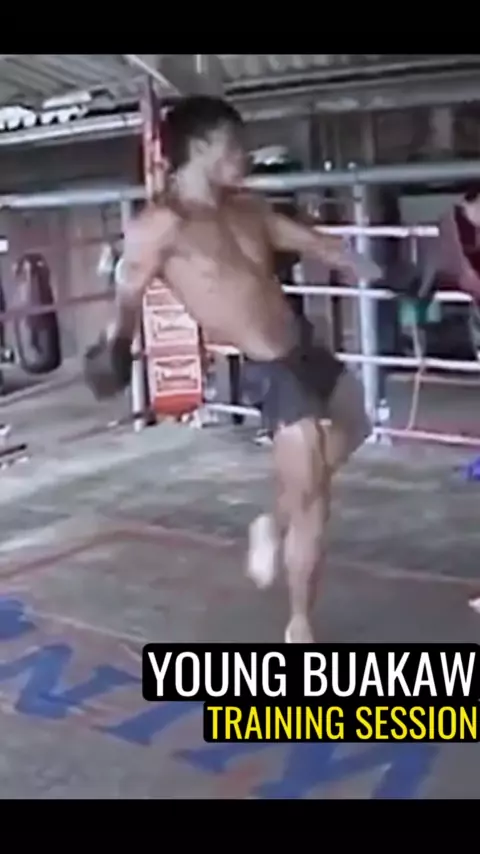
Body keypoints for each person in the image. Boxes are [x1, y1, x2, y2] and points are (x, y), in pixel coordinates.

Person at [84, 95, 381, 644]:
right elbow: (128, 293)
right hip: (270, 367)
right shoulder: (160, 226)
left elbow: (321, 246)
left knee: (356, 423)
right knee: (314, 503)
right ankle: (300, 625)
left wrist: (382, 273)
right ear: (201, 147)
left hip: (304, 346)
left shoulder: (247, 209)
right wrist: (115, 346)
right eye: (233, 143)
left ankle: (272, 520)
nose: (244, 154)